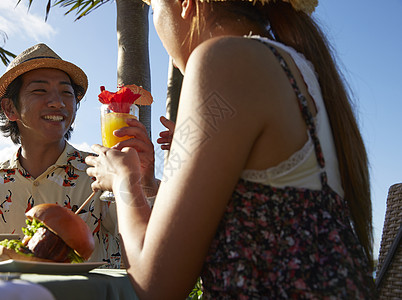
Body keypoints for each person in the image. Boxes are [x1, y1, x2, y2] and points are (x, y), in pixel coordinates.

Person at [85, 0, 376, 298]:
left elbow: (156, 284)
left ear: (186, 4)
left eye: (156, 8)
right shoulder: (295, 65)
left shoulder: (226, 58)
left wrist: (122, 179)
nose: (170, 59)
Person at [0, 43, 156, 267]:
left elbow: (150, 247)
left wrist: (144, 181)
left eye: (66, 93)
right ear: (9, 109)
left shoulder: (103, 173)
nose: (58, 102)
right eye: (40, 91)